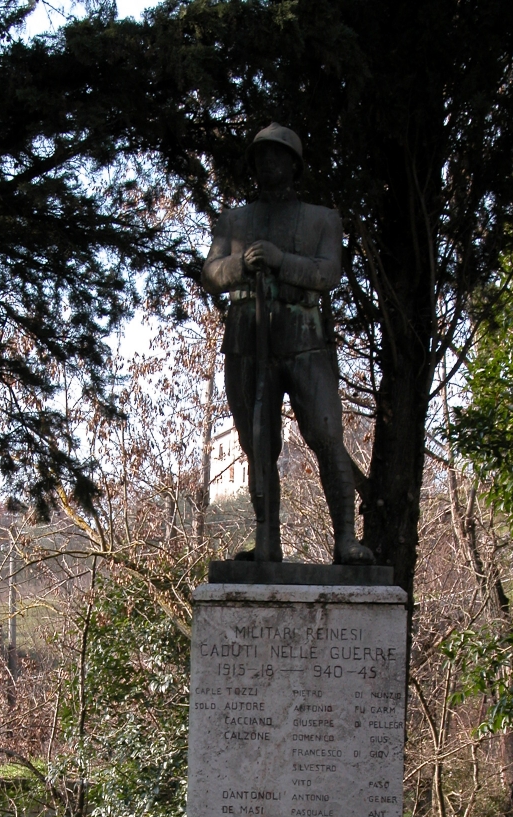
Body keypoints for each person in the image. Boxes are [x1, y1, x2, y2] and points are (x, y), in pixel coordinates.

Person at [203, 123, 373, 564]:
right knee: (257, 442)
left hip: (305, 341)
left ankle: (346, 540)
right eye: (259, 156)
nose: (266, 163)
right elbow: (212, 274)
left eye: (276, 156)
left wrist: (281, 261)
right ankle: (267, 540)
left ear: (294, 165)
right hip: (247, 339)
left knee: (326, 434)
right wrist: (241, 263)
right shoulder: (234, 220)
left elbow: (327, 272)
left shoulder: (321, 218)